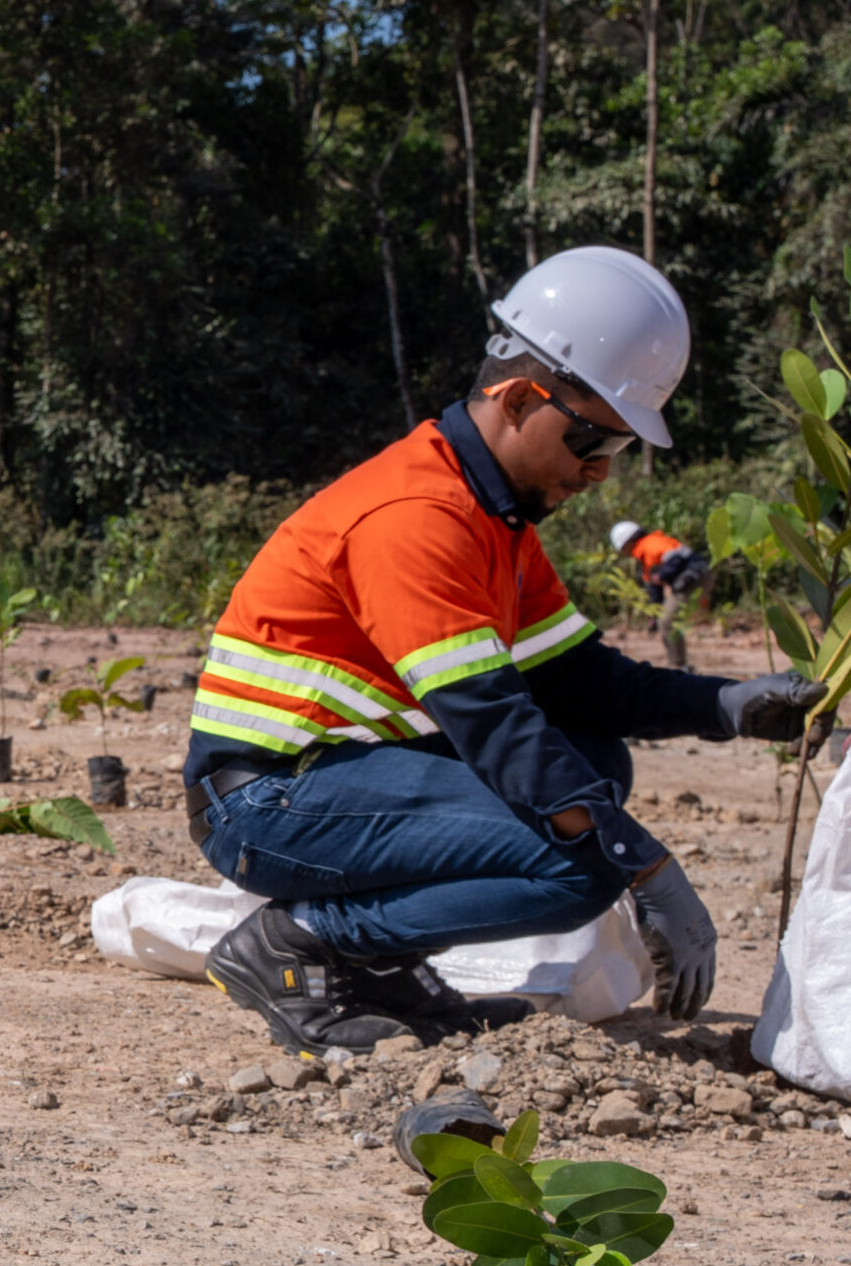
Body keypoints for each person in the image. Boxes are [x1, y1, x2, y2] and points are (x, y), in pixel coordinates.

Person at [185, 246, 824, 1054]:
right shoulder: (415, 514)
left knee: (593, 767)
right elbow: (493, 722)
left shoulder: (495, 518)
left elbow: (579, 682)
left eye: (619, 450)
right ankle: (308, 941)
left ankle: (375, 958)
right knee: (583, 858)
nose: (599, 474)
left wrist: (724, 706)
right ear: (520, 397)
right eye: (592, 442)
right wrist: (647, 866)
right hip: (267, 802)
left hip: (337, 777)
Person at [610, 519, 710, 670]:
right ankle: (677, 663)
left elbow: (676, 558)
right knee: (664, 621)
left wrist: (662, 575)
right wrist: (653, 614)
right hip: (690, 580)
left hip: (696, 578)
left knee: (667, 621)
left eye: (623, 549)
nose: (624, 553)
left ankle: (679, 665)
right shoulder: (644, 555)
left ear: (628, 542)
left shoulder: (650, 544)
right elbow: (654, 589)